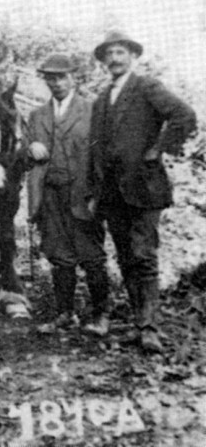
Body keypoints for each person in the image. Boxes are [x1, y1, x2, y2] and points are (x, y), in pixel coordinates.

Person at [87, 31, 197, 353]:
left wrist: (158, 149)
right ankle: (138, 324)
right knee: (125, 258)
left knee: (144, 256)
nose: (114, 59)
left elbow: (184, 116)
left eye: (120, 52)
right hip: (112, 192)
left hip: (145, 188)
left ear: (132, 56)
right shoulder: (101, 99)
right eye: (109, 54)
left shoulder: (146, 86)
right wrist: (95, 189)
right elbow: (95, 148)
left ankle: (150, 328)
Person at [25, 53, 110, 335]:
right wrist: (30, 149)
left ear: (73, 77)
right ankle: (65, 313)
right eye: (51, 77)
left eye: (62, 76)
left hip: (83, 196)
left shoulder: (93, 110)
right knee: (59, 257)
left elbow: (103, 156)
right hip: (49, 195)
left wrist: (99, 195)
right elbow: (22, 156)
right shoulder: (37, 116)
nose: (57, 82)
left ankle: (100, 315)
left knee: (92, 257)